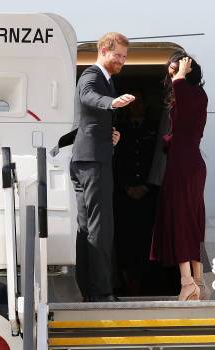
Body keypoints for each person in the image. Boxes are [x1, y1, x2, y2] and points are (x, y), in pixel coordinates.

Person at [70, 32, 135, 302]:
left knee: (86, 227)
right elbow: (87, 96)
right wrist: (111, 102)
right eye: (118, 55)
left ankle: (88, 289)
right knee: (100, 226)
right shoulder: (93, 76)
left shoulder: (105, 80)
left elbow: (91, 118)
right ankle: (101, 291)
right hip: (93, 162)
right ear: (104, 51)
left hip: (86, 157)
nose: (122, 61)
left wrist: (111, 134)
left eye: (124, 56)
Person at [150, 52, 208, 301]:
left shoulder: (183, 90)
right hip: (194, 161)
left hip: (182, 163)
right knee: (193, 220)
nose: (172, 75)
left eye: (176, 70)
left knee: (180, 220)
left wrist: (180, 75)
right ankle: (199, 281)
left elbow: (180, 91)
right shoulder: (201, 95)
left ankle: (187, 282)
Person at [113, 92, 159, 295]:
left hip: (148, 193)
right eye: (133, 103)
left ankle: (146, 282)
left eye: (140, 102)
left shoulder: (154, 128)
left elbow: (159, 159)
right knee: (125, 237)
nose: (136, 107)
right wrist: (125, 187)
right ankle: (126, 281)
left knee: (147, 238)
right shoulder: (119, 129)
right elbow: (115, 161)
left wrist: (148, 186)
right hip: (125, 194)